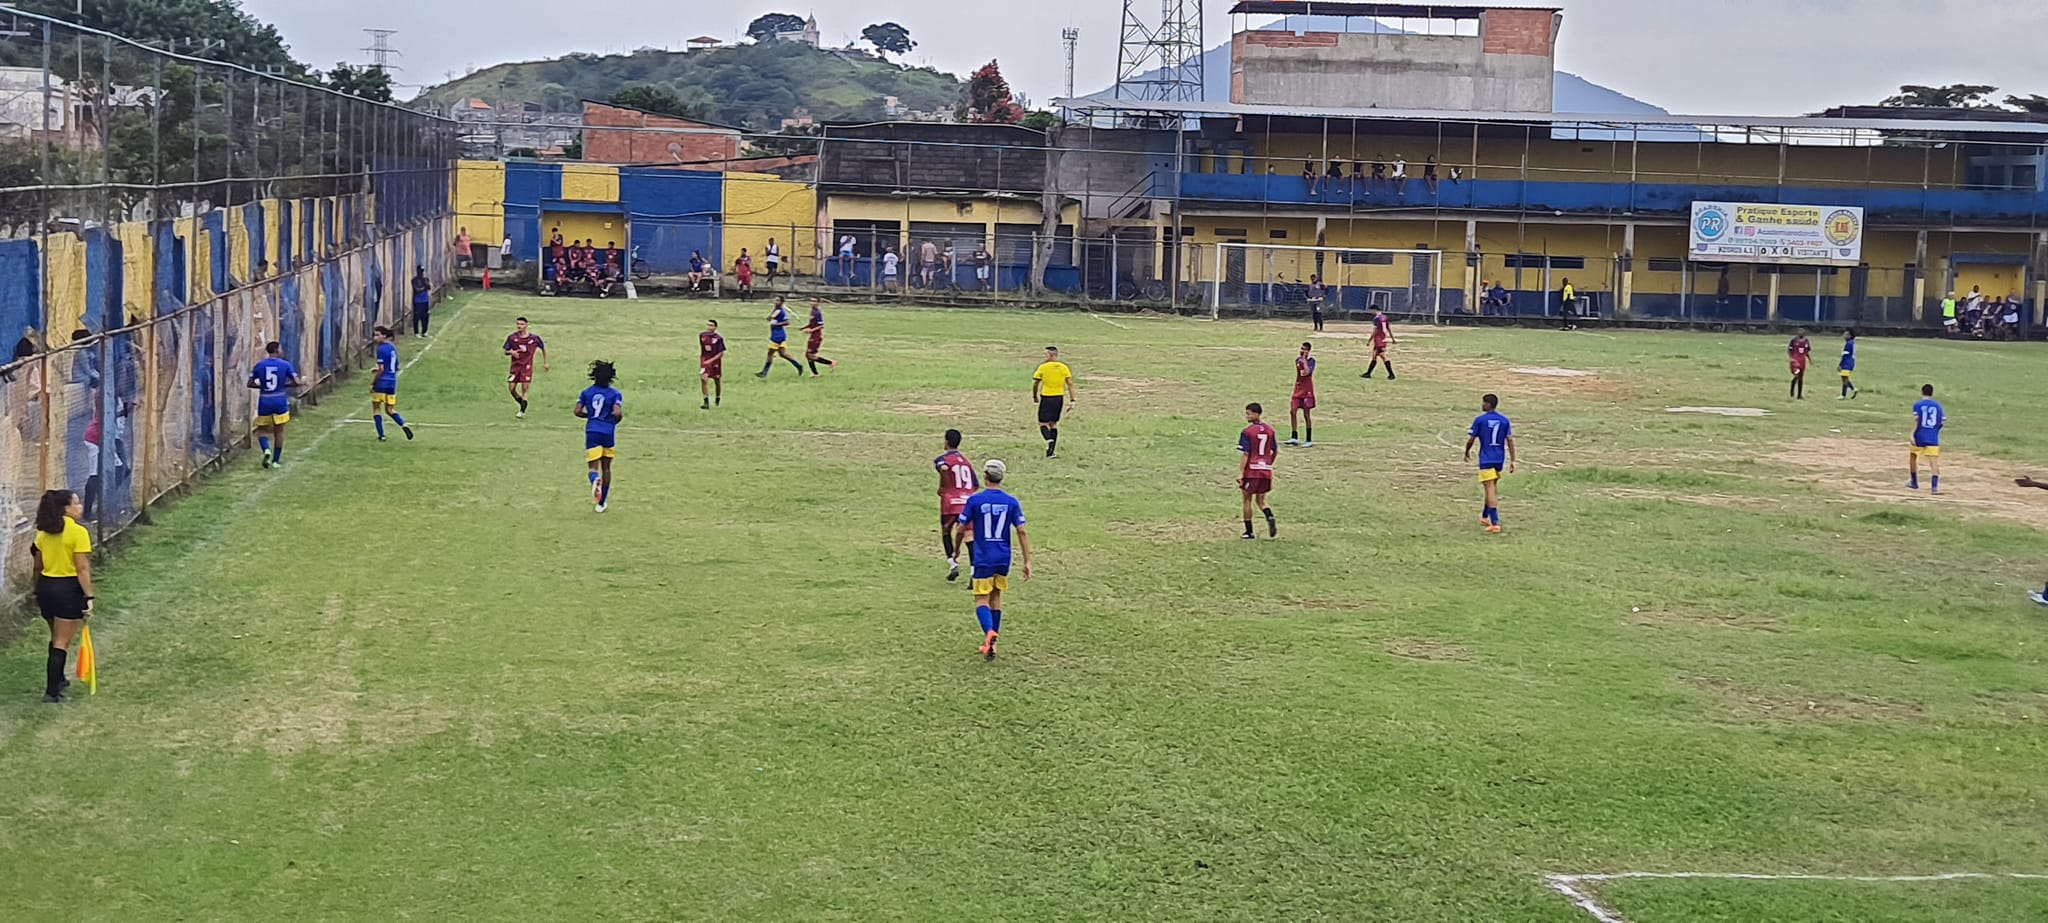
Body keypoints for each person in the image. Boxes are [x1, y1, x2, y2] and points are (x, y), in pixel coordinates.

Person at [952, 458, 1031, 661]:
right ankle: (993, 646)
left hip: (983, 557)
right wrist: (1027, 561)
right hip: (1003, 557)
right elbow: (1021, 531)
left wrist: (956, 549)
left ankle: (989, 632)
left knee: (981, 598)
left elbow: (961, 528)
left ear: (985, 476)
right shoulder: (1012, 502)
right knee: (996, 596)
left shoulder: (975, 501)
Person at [30, 489, 93, 703]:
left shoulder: (43, 533)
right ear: (66, 509)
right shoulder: (78, 532)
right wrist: (89, 596)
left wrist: (36, 589)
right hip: (68, 589)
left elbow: (38, 566)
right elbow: (82, 567)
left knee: (55, 635)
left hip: (47, 588)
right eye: (76, 503)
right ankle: (51, 691)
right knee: (61, 641)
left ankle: (59, 679)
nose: (80, 506)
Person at [576, 360, 624, 513]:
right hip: (608, 433)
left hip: (592, 432)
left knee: (592, 467)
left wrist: (590, 416)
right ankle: (601, 503)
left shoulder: (586, 392)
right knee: (607, 468)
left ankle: (594, 479)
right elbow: (617, 412)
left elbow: (577, 411)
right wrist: (614, 420)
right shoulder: (615, 394)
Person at [1465, 393, 1516, 534]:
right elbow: (1510, 440)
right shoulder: (1504, 420)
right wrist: (1513, 460)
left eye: (1483, 403)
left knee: (1490, 490)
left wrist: (1466, 451)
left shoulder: (1480, 420)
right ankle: (1484, 516)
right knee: (1491, 487)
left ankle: (1495, 522)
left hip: (1486, 459)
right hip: (1499, 458)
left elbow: (1471, 439)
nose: (1481, 405)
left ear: (1488, 404)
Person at [248, 340, 301, 469]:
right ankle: (276, 461)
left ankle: (266, 449)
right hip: (279, 399)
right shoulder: (285, 364)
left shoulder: (259, 365)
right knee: (279, 431)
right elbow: (297, 382)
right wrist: (285, 385)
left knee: (262, 430)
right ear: (277, 351)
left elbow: (250, 383)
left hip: (265, 399)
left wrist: (262, 386)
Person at [935, 429, 979, 582]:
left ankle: (953, 564)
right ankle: (974, 571)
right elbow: (975, 484)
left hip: (950, 501)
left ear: (946, 441)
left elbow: (943, 467)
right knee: (969, 534)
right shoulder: (966, 462)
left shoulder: (943, 459)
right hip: (966, 502)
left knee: (946, 532)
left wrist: (944, 486)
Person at [1238, 402, 1279, 540]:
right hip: (1265, 470)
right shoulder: (1270, 430)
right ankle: (1270, 516)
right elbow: (1275, 450)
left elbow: (1246, 454)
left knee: (1247, 499)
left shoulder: (1247, 432)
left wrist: (1241, 473)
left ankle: (1249, 531)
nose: (1246, 416)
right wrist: (1268, 463)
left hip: (1252, 470)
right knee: (1261, 500)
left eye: (1248, 413)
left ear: (1256, 414)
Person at [370, 326, 415, 442]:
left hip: (382, 382)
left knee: (376, 409)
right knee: (390, 410)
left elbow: (381, 369)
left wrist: (373, 383)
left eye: (377, 335)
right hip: (392, 382)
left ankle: (381, 435)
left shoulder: (381, 349)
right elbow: (396, 367)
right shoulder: (392, 348)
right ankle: (404, 425)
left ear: (384, 336)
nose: (375, 338)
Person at [1032, 345, 1075, 459]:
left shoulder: (1043, 367)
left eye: (1046, 354)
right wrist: (1072, 399)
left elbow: (1036, 383)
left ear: (1051, 355)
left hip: (1047, 397)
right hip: (1058, 398)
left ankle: (1049, 440)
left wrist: (1035, 395)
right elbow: (1070, 384)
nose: (1044, 356)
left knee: (1043, 423)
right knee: (1053, 424)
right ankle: (1051, 452)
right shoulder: (1064, 367)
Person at [503, 316, 549, 418]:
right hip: (515, 367)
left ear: (526, 325)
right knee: (512, 389)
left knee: (525, 387)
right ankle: (521, 402)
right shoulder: (512, 338)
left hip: (526, 366)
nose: (519, 326)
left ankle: (522, 411)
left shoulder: (534, 338)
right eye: (518, 324)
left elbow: (543, 348)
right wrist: (511, 352)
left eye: (522, 324)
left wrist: (546, 362)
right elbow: (506, 351)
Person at [757, 296, 805, 378]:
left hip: (777, 336)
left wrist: (775, 323)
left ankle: (764, 372)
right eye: (775, 300)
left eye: (778, 300)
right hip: (778, 334)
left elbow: (787, 322)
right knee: (783, 354)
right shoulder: (776, 310)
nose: (775, 302)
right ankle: (798, 365)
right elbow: (769, 318)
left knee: (770, 353)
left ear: (782, 302)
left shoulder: (780, 311)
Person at [1909, 384, 1944, 495]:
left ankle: (1914, 482)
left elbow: (1916, 419)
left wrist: (1912, 434)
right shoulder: (1938, 406)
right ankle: (1934, 488)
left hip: (1919, 435)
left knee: (1913, 457)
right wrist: (1935, 430)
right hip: (1933, 437)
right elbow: (1942, 422)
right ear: (1932, 393)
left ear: (1922, 392)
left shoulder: (1918, 405)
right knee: (1934, 463)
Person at [1288, 342, 1316, 447]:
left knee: (1306, 414)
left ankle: (1309, 439)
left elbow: (1307, 372)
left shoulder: (1312, 361)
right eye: (1301, 348)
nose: (1302, 351)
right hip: (1298, 389)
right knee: (1293, 411)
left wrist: (1305, 360)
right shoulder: (1297, 361)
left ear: (1308, 351)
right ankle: (1294, 436)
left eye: (1304, 349)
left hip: (1307, 391)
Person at [802, 297, 837, 377]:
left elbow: (821, 326)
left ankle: (831, 363)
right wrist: (805, 327)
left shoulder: (818, 313)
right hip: (813, 335)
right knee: (808, 355)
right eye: (811, 301)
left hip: (816, 336)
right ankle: (815, 374)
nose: (812, 303)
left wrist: (811, 330)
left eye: (814, 301)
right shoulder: (812, 311)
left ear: (818, 303)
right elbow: (813, 323)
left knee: (810, 355)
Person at [699, 319, 726, 410]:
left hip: (715, 362)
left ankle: (718, 398)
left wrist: (711, 361)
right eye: (708, 325)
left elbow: (721, 353)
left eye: (711, 325)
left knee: (717, 381)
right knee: (703, 379)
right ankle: (706, 401)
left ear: (715, 327)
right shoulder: (702, 336)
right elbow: (702, 349)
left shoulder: (718, 338)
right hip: (705, 360)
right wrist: (703, 361)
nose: (709, 327)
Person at [1363, 308, 1396, 379]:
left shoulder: (1376, 319)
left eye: (1371, 310)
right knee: (1374, 356)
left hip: (1378, 339)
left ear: (1374, 310)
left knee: (1383, 356)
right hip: (1383, 338)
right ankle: (1368, 373)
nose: (1371, 312)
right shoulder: (1385, 317)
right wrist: (1392, 338)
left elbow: (1375, 330)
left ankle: (1391, 374)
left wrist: (1369, 340)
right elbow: (1388, 328)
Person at [1786, 328, 1811, 400]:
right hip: (1795, 359)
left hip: (1803, 360)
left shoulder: (1806, 341)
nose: (1801, 333)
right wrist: (1791, 358)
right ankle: (1792, 390)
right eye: (1800, 331)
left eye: (1802, 332)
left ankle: (1799, 395)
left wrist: (1809, 359)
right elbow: (1789, 350)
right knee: (1797, 373)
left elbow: (1807, 351)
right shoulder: (1793, 340)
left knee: (1801, 377)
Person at [411, 266, 432, 336]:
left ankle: (424, 332)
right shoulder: (414, 280)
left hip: (425, 300)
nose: (421, 273)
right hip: (417, 301)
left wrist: (425, 286)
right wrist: (424, 288)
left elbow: (429, 287)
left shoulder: (425, 279)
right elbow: (417, 289)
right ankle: (416, 332)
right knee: (417, 316)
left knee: (425, 317)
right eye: (420, 271)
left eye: (422, 271)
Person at [1838, 328, 1859, 399]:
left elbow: (1845, 355)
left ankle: (1846, 393)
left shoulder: (1849, 343)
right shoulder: (1851, 342)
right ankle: (1851, 390)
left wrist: (1840, 364)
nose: (1844, 336)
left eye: (1846, 334)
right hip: (1850, 362)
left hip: (1847, 363)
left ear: (1850, 335)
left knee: (1844, 378)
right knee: (1844, 377)